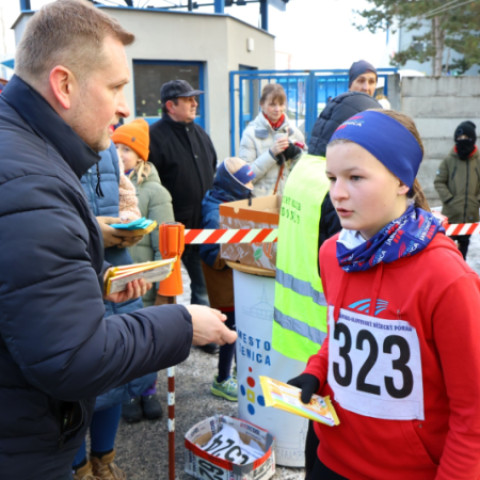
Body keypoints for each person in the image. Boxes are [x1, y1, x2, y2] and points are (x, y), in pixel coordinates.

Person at [0, 2, 236, 479]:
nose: (126, 108)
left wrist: (96, 283)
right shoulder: (31, 182)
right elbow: (72, 358)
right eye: (114, 88)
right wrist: (182, 323)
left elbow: (22, 290)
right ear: (64, 85)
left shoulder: (26, 153)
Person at [289, 109, 480, 479]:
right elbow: (341, 332)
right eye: (332, 178)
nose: (337, 193)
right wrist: (317, 370)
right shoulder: (332, 254)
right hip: (330, 460)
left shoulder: (447, 279)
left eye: (355, 177)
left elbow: (472, 411)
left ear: (401, 181)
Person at [274, 91, 382, 475]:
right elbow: (353, 268)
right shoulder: (339, 187)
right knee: (337, 426)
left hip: (300, 321)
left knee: (319, 428)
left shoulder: (304, 169)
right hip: (335, 329)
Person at [74, 142, 155, 480]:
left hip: (116, 267)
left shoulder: (106, 148)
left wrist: (129, 221)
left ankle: (103, 461)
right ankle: (78, 468)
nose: (118, 118)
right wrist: (94, 231)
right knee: (74, 382)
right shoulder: (40, 143)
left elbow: (126, 196)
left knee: (117, 372)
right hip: (72, 268)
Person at [112, 118, 174, 423]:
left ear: (140, 156)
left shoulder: (154, 192)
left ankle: (148, 390)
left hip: (146, 283)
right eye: (115, 148)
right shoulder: (107, 186)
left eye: (127, 149)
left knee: (146, 341)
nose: (120, 154)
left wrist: (164, 287)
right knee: (122, 339)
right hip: (119, 281)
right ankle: (127, 392)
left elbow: (165, 242)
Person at [148, 79, 215, 309]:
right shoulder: (154, 138)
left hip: (203, 227)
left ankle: (199, 326)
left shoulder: (200, 133)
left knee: (203, 290)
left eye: (194, 99)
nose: (195, 104)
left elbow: (212, 167)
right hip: (171, 231)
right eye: (188, 100)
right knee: (168, 290)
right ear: (170, 106)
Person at [199, 157, 256, 401]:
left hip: (235, 282)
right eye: (245, 185)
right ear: (233, 185)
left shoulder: (229, 202)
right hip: (224, 287)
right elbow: (210, 253)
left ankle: (237, 370)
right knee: (229, 333)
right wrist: (236, 250)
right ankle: (222, 379)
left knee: (239, 329)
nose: (249, 189)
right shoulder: (215, 213)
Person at [238, 82, 306, 197]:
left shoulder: (294, 132)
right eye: (272, 104)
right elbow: (245, 178)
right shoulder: (250, 134)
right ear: (262, 104)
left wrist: (297, 154)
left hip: (289, 201)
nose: (277, 109)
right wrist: (271, 154)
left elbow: (306, 171)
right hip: (261, 202)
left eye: (281, 104)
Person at [434, 120, 480, 259]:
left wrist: (476, 200)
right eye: (460, 138)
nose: (462, 140)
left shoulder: (478, 161)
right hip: (451, 215)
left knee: (463, 249)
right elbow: (439, 181)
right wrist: (449, 199)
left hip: (470, 214)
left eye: (466, 137)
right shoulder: (449, 161)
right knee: (448, 251)